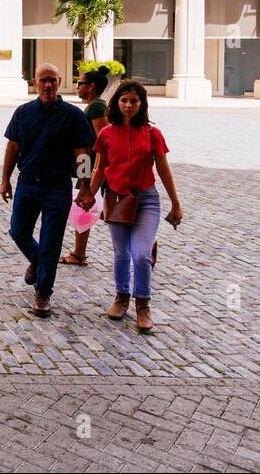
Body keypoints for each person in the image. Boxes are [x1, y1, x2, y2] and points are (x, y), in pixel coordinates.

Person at [77, 81, 184, 334]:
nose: (128, 105)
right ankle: (121, 297)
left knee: (140, 254)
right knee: (121, 253)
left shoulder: (152, 134)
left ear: (141, 104)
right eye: (124, 100)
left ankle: (143, 305)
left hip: (146, 200)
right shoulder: (106, 134)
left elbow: (163, 169)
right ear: (117, 103)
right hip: (116, 200)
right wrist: (90, 195)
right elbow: (100, 168)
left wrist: (176, 203)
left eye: (134, 101)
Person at [0, 63, 95, 318]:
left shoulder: (73, 116)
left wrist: (85, 188)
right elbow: (12, 147)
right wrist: (5, 179)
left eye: (52, 80)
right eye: (43, 80)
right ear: (35, 82)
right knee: (18, 230)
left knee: (51, 241)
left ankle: (43, 292)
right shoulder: (23, 113)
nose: (48, 85)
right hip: (27, 183)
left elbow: (83, 155)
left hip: (57, 187)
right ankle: (39, 262)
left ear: (60, 81)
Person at [61, 66, 111, 267]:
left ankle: (79, 254)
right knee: (94, 209)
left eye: (79, 83)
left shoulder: (96, 108)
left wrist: (91, 173)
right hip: (90, 166)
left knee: (85, 206)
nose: (76, 87)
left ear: (91, 87)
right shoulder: (96, 105)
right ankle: (79, 252)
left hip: (92, 167)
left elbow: (103, 142)